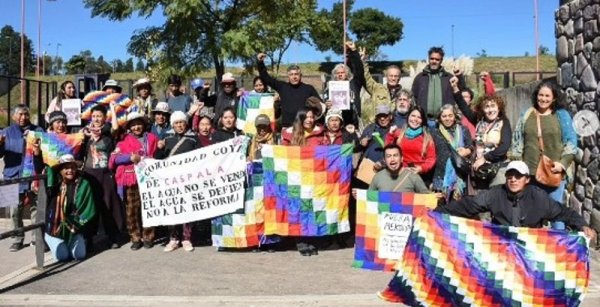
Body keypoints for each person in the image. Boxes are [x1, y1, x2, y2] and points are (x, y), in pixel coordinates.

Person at [435, 161, 596, 241]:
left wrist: (582, 225)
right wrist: (436, 214)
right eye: (509, 176)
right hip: (502, 245)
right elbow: (468, 205)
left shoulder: (538, 197)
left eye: (518, 176)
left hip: (529, 248)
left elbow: (564, 213)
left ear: (526, 179)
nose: (513, 180)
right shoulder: (495, 193)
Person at [510, 82, 577, 212]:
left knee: (555, 213)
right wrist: (519, 167)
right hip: (530, 175)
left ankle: (557, 233)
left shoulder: (561, 115)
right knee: (531, 214)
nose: (543, 99)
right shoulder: (527, 114)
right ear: (536, 96)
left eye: (547, 96)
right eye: (541, 95)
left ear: (554, 98)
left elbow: (571, 142)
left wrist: (562, 164)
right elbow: (517, 143)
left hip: (553, 172)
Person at [32, 154, 96, 261]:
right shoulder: (54, 184)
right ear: (60, 170)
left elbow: (88, 208)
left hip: (74, 228)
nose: (70, 170)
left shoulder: (83, 184)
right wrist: (37, 154)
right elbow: (41, 168)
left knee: (79, 255)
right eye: (66, 168)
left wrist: (75, 223)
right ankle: (52, 240)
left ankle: (72, 243)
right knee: (62, 257)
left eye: (72, 167)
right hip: (55, 229)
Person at [109, 112, 158, 250]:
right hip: (131, 180)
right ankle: (135, 237)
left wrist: (160, 147)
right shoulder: (123, 141)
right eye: (134, 124)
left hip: (149, 179)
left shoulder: (153, 138)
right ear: (129, 127)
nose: (137, 127)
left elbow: (158, 156)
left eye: (139, 124)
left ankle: (148, 236)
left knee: (148, 208)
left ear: (143, 125)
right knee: (132, 210)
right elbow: (113, 159)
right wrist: (129, 158)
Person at [155, 111, 201, 252]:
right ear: (173, 125)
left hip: (187, 180)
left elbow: (201, 158)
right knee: (172, 209)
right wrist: (159, 149)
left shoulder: (193, 139)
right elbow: (158, 159)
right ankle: (173, 239)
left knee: (187, 209)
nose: (179, 125)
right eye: (176, 123)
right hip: (170, 181)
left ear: (185, 123)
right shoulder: (167, 139)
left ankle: (186, 238)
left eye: (181, 122)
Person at [0, 105, 44, 251]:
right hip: (11, 176)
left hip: (33, 176)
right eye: (20, 114)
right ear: (13, 117)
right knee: (13, 211)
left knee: (36, 208)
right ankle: (17, 238)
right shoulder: (6, 132)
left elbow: (45, 153)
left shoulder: (38, 131)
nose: (23, 117)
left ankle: (36, 238)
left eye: (26, 114)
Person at [80, 105, 123, 250]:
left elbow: (116, 128)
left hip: (106, 174)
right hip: (89, 173)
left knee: (110, 205)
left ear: (105, 117)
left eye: (99, 116)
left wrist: (113, 110)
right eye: (94, 116)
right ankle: (89, 238)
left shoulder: (108, 132)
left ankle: (114, 236)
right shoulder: (85, 133)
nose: (96, 119)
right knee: (90, 206)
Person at [257, 53, 321, 129]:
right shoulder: (282, 87)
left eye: (296, 74)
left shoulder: (309, 89)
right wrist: (260, 63)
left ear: (300, 75)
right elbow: (266, 78)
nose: (294, 77)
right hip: (287, 127)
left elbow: (320, 105)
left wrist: (326, 105)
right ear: (288, 76)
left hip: (304, 128)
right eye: (291, 74)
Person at [411, 46, 463, 127]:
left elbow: (461, 93)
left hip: (444, 122)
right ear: (428, 59)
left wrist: (460, 77)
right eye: (432, 58)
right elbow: (413, 98)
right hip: (424, 121)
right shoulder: (420, 78)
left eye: (437, 59)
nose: (434, 61)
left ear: (441, 60)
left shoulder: (449, 78)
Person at [431, 104, 473, 201]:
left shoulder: (463, 130)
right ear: (440, 118)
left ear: (455, 116)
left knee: (457, 208)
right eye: (444, 116)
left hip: (459, 175)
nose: (447, 119)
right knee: (440, 208)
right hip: (440, 176)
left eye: (450, 115)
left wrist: (467, 151)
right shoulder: (434, 132)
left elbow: (471, 146)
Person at [323, 42, 366, 128]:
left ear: (346, 73)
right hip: (335, 124)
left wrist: (353, 51)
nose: (340, 74)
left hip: (352, 122)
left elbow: (359, 70)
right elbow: (325, 103)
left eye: (342, 72)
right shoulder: (330, 87)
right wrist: (326, 104)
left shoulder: (354, 83)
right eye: (337, 73)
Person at [385, 106, 436, 177]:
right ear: (408, 117)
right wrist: (390, 134)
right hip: (401, 173)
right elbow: (388, 150)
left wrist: (421, 168)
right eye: (413, 116)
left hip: (420, 176)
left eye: (419, 117)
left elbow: (431, 158)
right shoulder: (399, 133)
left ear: (422, 120)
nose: (415, 119)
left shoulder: (427, 138)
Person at [359, 104, 393, 170]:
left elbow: (395, 152)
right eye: (379, 116)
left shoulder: (393, 130)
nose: (382, 118)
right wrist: (361, 142)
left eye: (385, 116)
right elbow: (360, 143)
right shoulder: (370, 127)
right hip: (366, 166)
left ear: (390, 116)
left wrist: (383, 163)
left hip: (384, 168)